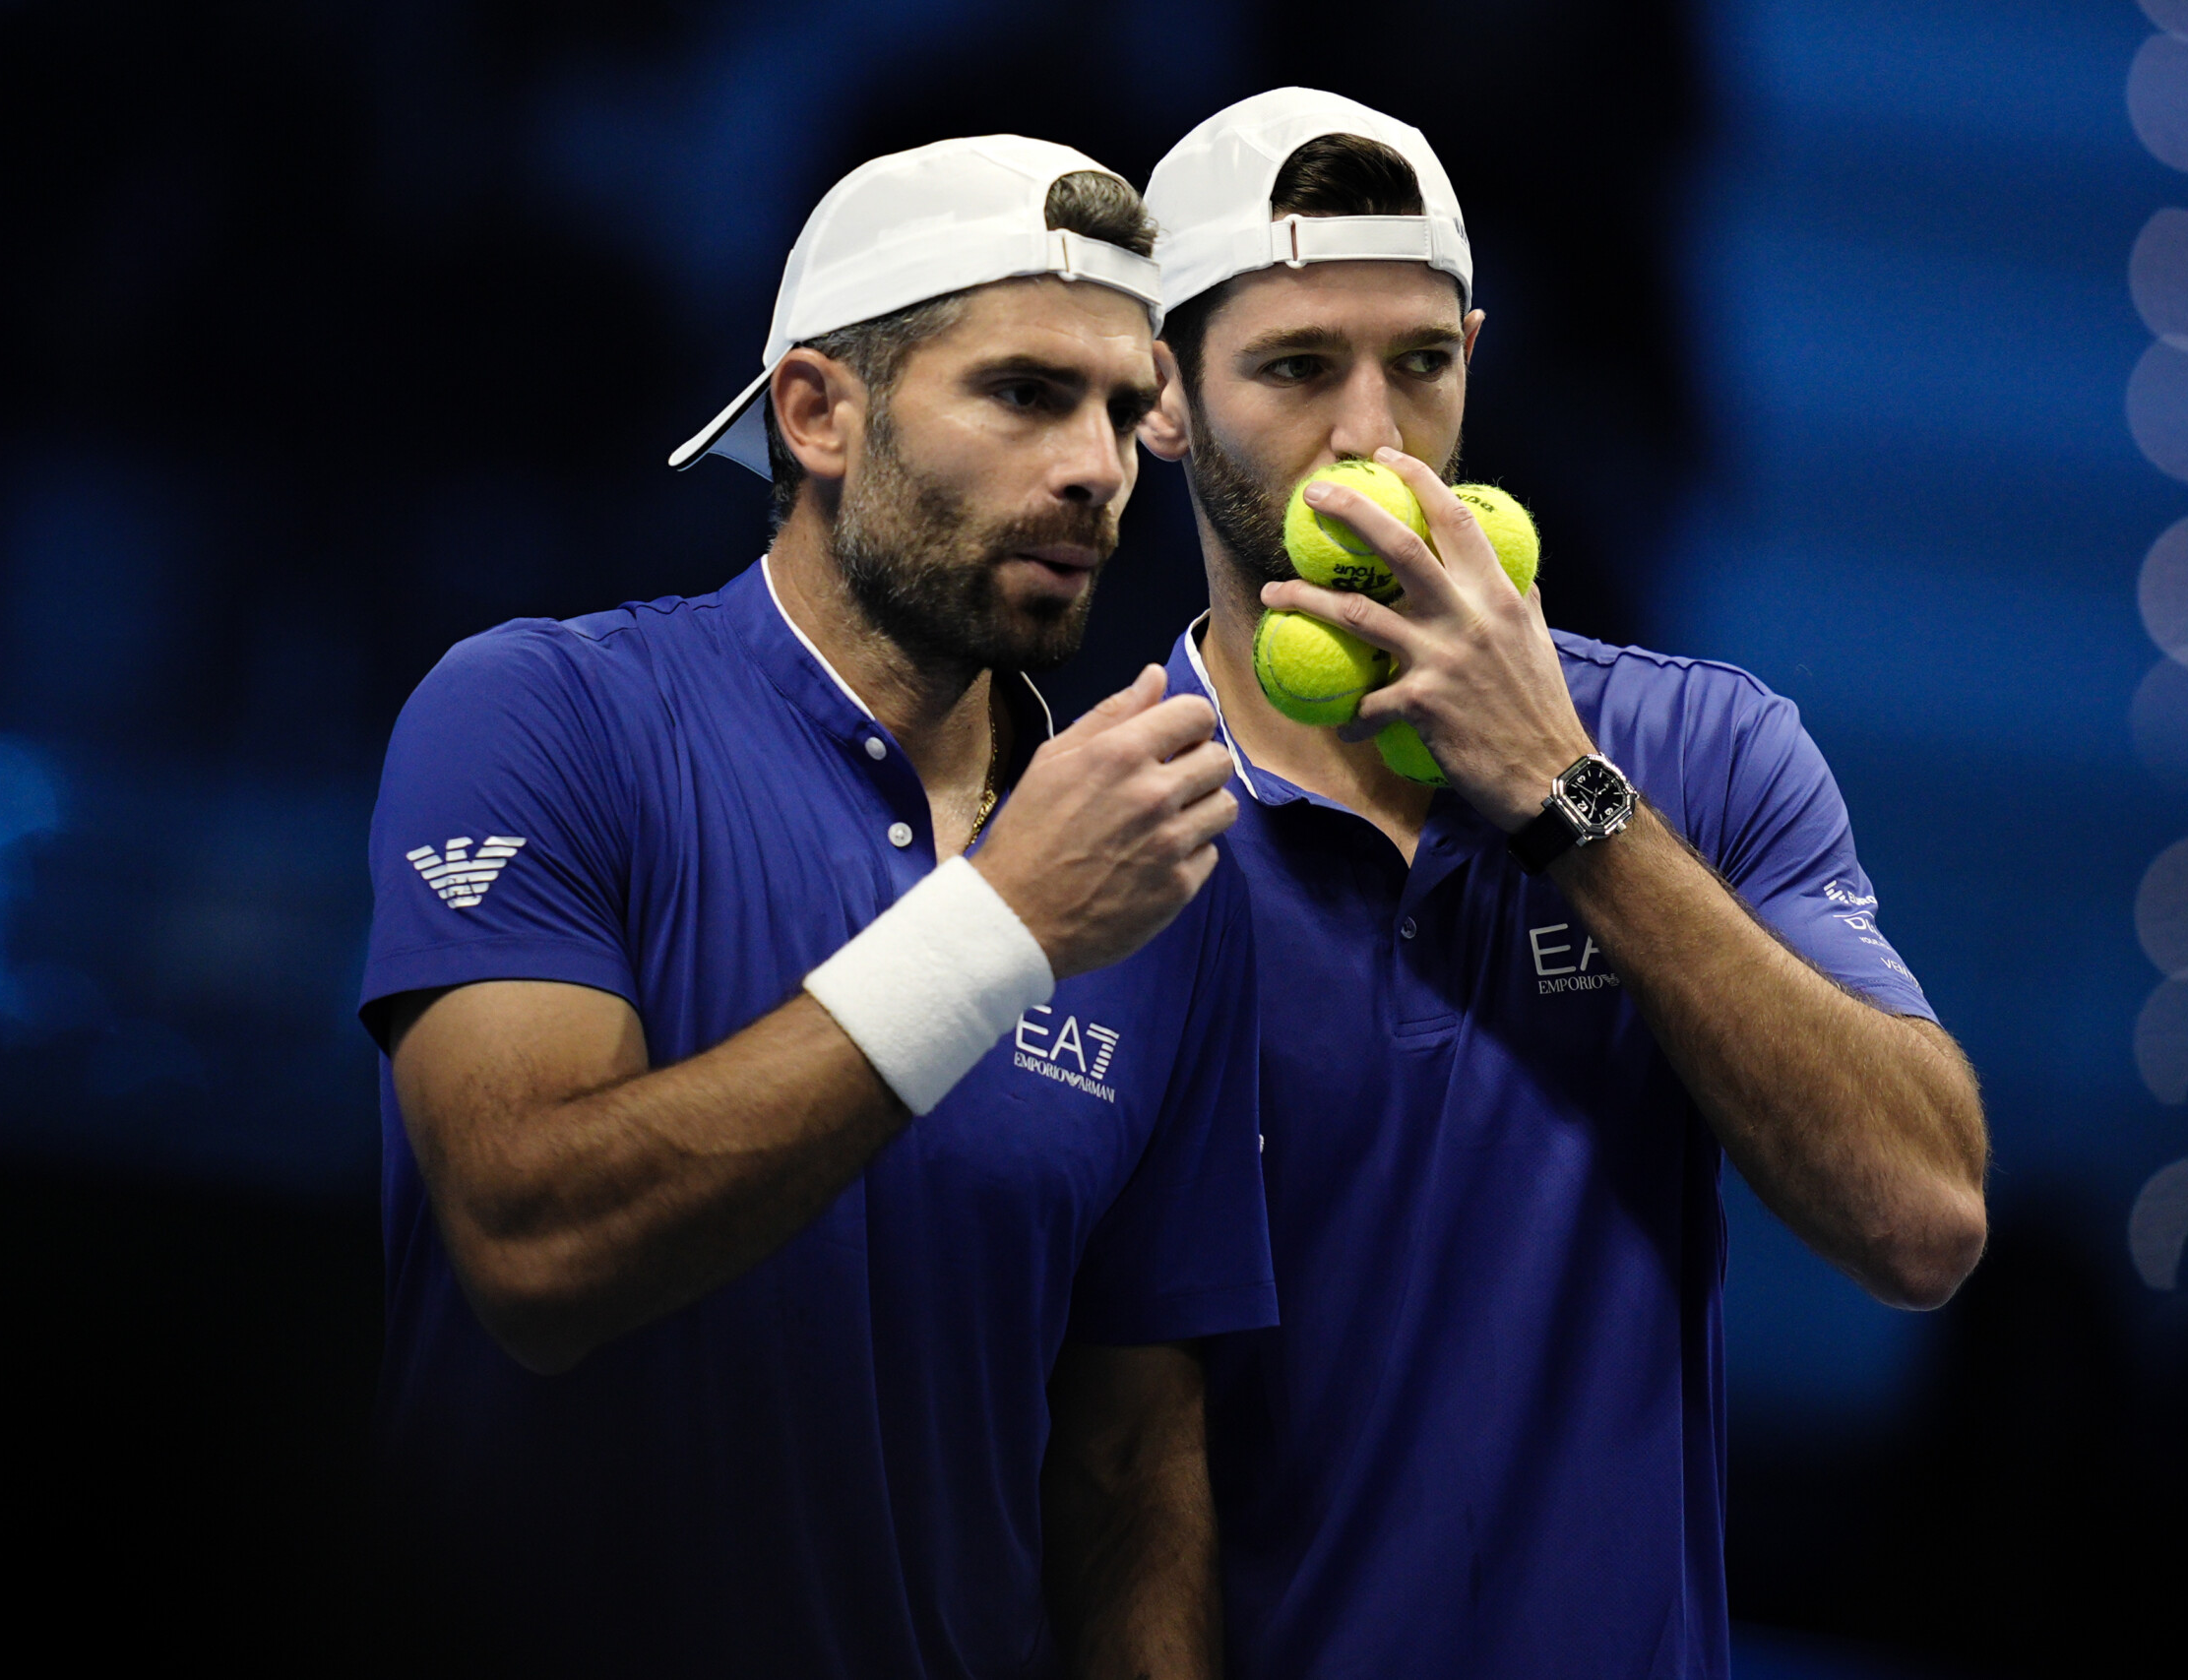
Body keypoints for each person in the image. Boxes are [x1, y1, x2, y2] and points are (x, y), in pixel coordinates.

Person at [359, 136, 1271, 1679]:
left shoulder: (1160, 865)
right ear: (817, 411)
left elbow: (1127, 1474)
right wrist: (1006, 926)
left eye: (1127, 411)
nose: (1100, 467)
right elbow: (535, 1245)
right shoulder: (535, 713)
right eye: (1027, 393)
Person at [1135, 90, 1991, 1676]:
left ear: (1477, 348)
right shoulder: (1090, 825)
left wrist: (1561, 797)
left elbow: (1923, 1218)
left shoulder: (1705, 746)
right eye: (1298, 368)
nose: (1375, 440)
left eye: (1422, 364)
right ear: (1162, 395)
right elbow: (1096, 1457)